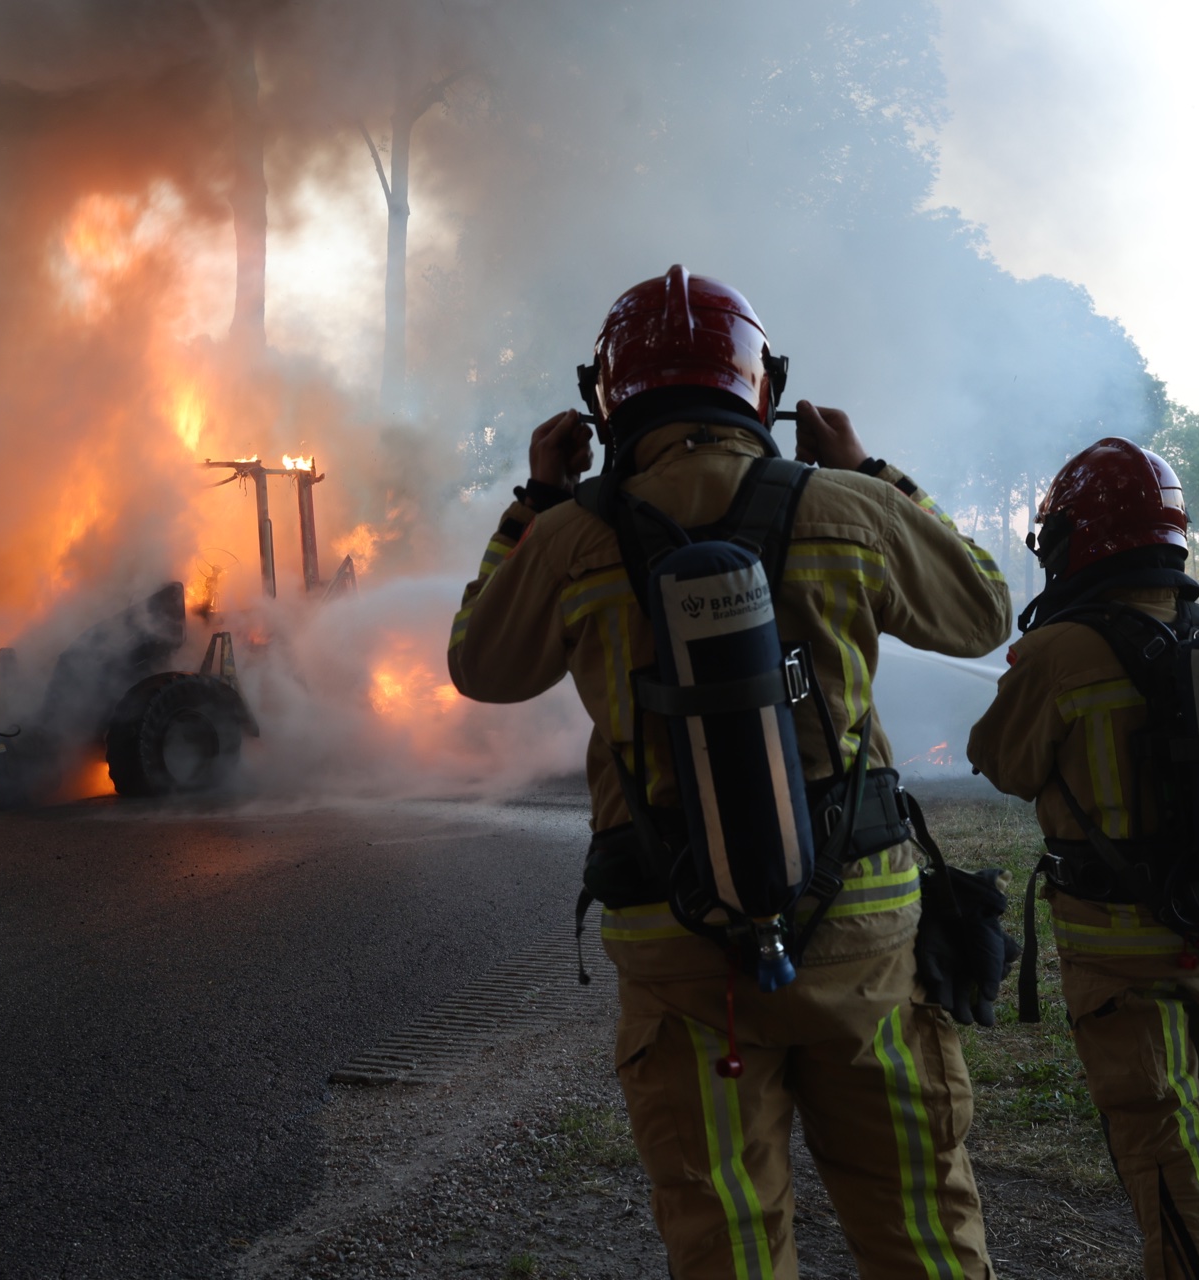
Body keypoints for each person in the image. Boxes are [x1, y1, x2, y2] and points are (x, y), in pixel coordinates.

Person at [447, 265, 1011, 1279]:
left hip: (679, 940)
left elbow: (479, 666)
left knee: (728, 1248)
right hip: (860, 933)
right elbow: (983, 610)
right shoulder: (849, 507)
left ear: (604, 402)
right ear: (763, 385)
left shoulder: (569, 537)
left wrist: (534, 501)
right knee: (922, 1233)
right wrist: (874, 470)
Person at [967, 438, 1199, 1279]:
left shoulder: (1062, 650)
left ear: (1077, 541)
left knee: (1172, 1172)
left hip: (1123, 965)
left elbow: (1002, 761)